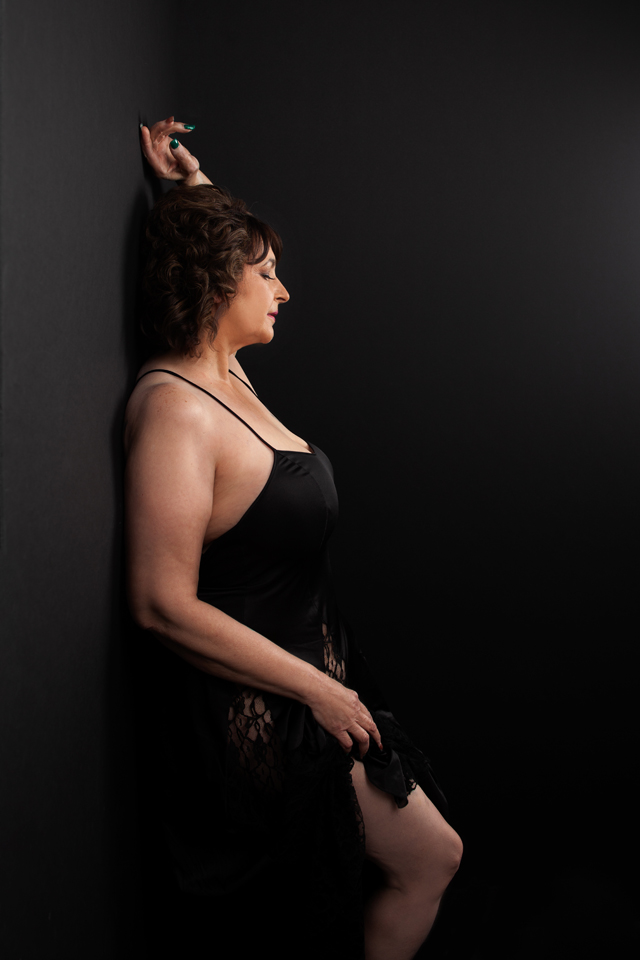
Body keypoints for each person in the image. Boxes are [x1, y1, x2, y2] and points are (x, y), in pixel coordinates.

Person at [126, 116, 462, 960]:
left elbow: (215, 242)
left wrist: (189, 182)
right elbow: (160, 604)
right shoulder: (176, 412)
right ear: (217, 280)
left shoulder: (224, 373)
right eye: (267, 274)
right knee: (429, 858)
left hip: (313, 683)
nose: (282, 291)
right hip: (262, 709)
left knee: (368, 883)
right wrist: (318, 693)